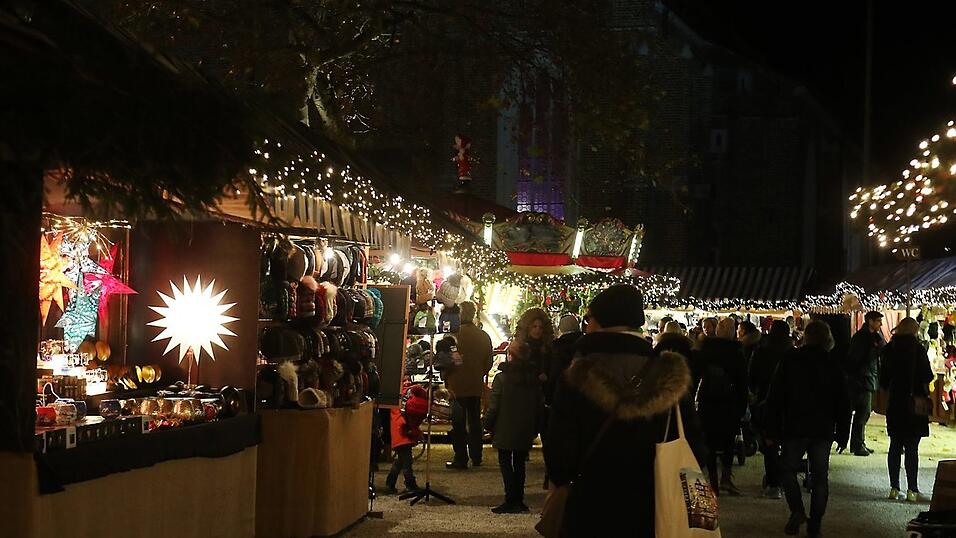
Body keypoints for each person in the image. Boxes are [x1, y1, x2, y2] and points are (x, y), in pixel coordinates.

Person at [545, 285, 707, 538]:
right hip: (654, 503)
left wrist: (561, 480)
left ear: (599, 321)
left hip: (589, 502)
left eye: (588, 319)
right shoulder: (669, 375)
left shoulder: (577, 373)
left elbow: (559, 447)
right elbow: (693, 442)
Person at [766, 320, 850, 538]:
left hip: (795, 425)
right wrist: (843, 432)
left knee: (787, 470)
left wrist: (771, 430)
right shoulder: (832, 363)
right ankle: (816, 524)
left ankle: (797, 511)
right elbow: (843, 401)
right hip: (822, 428)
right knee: (820, 477)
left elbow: (775, 397)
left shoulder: (791, 359)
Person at [483, 339, 542, 513]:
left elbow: (494, 405)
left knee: (505, 462)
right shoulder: (533, 378)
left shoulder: (502, 378)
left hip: (505, 426)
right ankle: (519, 498)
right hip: (525, 428)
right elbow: (538, 404)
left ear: (511, 355)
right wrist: (536, 427)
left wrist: (487, 423)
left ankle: (510, 498)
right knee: (520, 463)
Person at [880, 317, 934, 502]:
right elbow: (927, 375)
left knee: (895, 445)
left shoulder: (889, 349)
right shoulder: (917, 349)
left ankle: (894, 488)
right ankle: (912, 489)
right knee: (912, 448)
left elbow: (883, 380)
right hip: (913, 403)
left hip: (895, 402)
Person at [694, 317, 748, 495]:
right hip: (729, 402)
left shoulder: (705, 350)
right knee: (728, 442)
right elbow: (742, 382)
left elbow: (696, 376)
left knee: (709, 441)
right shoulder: (736, 353)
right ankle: (726, 477)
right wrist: (742, 405)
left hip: (707, 401)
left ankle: (713, 481)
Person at [445, 301, 494, 469]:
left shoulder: (452, 337)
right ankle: (476, 455)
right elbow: (489, 362)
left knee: (458, 423)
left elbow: (444, 361)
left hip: (455, 385)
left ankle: (461, 457)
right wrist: (478, 373)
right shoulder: (483, 336)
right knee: (474, 421)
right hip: (475, 384)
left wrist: (446, 376)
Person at [749, 320, 794, 499]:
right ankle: (785, 479)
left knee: (770, 443)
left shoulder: (762, 353)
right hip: (790, 404)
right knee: (788, 443)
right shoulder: (793, 353)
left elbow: (752, 377)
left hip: (767, 403)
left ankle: (774, 483)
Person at [844, 310, 885, 456]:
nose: (881, 324)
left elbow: (883, 349)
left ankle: (859, 443)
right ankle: (857, 444)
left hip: (867, 377)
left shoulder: (873, 336)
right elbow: (856, 359)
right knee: (863, 412)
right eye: (878, 321)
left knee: (864, 413)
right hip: (862, 380)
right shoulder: (862, 337)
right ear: (870, 321)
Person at [385, 384, 429, 494]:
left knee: (401, 460)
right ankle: (410, 484)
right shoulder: (412, 398)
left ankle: (390, 482)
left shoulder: (399, 397)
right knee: (407, 461)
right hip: (404, 431)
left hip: (399, 429)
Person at [514, 307, 555, 383]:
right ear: (528, 327)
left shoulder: (547, 348)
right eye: (534, 326)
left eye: (540, 327)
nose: (537, 330)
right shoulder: (521, 348)